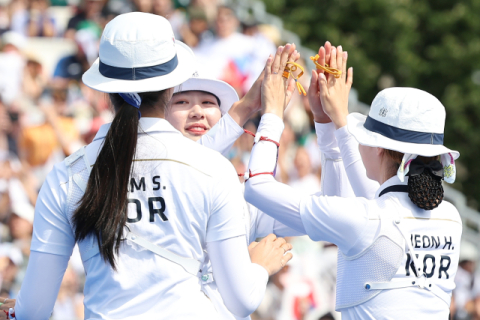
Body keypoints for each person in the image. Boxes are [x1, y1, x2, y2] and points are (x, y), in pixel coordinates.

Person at [0, 13, 293, 320]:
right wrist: (260, 265)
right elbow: (242, 301)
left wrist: (17, 310)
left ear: (106, 87)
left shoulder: (67, 175)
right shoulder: (213, 169)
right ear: (173, 87)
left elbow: (33, 311)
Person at [244, 43, 462, 319]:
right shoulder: (450, 217)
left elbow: (257, 186)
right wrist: (328, 122)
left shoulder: (366, 219)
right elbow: (378, 198)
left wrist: (272, 113)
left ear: (378, 148)